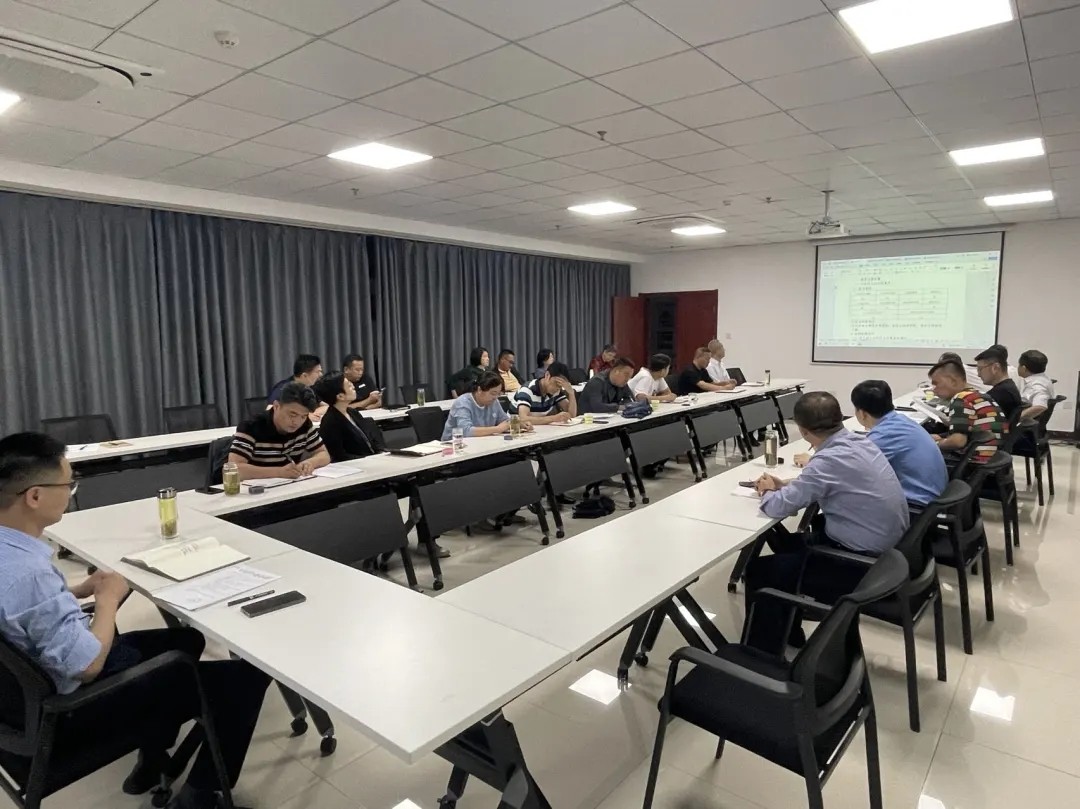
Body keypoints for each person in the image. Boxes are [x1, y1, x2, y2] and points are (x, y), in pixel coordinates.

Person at [0, 432, 270, 809]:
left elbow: (19, 607)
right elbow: (87, 666)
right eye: (68, 485)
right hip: (72, 710)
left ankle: (152, 759)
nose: (71, 494)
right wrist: (107, 601)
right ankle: (198, 797)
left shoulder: (11, 555)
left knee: (188, 641)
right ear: (34, 496)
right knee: (249, 675)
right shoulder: (30, 574)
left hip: (19, 711)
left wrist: (74, 591)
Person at [746, 392, 909, 651]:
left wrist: (766, 490)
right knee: (789, 545)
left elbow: (777, 507)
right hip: (888, 553)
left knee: (761, 570)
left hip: (859, 563)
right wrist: (787, 485)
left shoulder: (828, 460)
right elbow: (829, 481)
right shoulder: (860, 442)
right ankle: (789, 632)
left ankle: (761, 654)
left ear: (803, 431)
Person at [850, 380, 948, 507]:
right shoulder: (902, 421)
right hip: (935, 495)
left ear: (862, 413)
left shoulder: (882, 436)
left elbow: (853, 472)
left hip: (917, 504)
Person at [229, 382, 331, 481]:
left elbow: (323, 454)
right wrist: (279, 472)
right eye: (292, 415)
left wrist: (310, 463)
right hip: (255, 487)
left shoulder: (305, 425)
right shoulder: (252, 426)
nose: (296, 422)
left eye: (303, 416)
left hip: (289, 485)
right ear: (276, 406)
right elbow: (234, 469)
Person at [927, 359, 1006, 466]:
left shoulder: (960, 399)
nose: (933, 389)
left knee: (922, 453)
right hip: (994, 457)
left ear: (953, 381)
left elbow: (958, 442)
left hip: (974, 460)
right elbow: (970, 431)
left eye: (936, 384)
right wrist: (942, 437)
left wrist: (935, 443)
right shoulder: (980, 395)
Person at [314, 373, 387, 461]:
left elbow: (371, 438)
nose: (353, 386)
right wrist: (368, 459)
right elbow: (339, 456)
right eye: (349, 386)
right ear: (340, 396)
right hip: (358, 464)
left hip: (373, 459)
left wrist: (381, 452)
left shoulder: (353, 412)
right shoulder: (330, 423)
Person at [441, 371, 526, 439]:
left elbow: (504, 420)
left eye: (498, 394)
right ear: (479, 390)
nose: (495, 397)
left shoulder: (494, 402)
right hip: (454, 448)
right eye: (493, 393)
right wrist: (497, 429)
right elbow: (466, 431)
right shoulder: (462, 403)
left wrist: (518, 424)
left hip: (481, 444)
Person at [974, 346, 1022, 420]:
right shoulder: (1008, 388)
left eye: (980, 369)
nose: (979, 375)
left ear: (995, 368)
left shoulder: (1000, 394)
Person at [1017, 349, 1055, 421]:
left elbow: (1040, 406)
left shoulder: (1036, 385)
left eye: (1019, 365)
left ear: (1024, 368)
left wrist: (1016, 419)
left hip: (1025, 425)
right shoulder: (1044, 379)